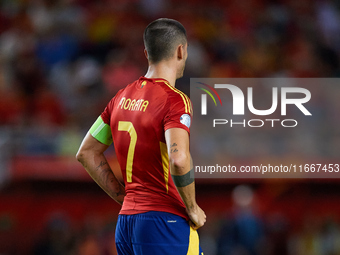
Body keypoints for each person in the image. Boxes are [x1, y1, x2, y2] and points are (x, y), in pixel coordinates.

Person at [76, 18, 206, 254]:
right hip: (165, 221)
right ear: (181, 50)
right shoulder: (175, 100)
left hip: (127, 223)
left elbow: (86, 152)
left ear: (147, 52)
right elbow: (179, 159)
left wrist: (123, 197)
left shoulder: (120, 98)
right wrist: (193, 207)